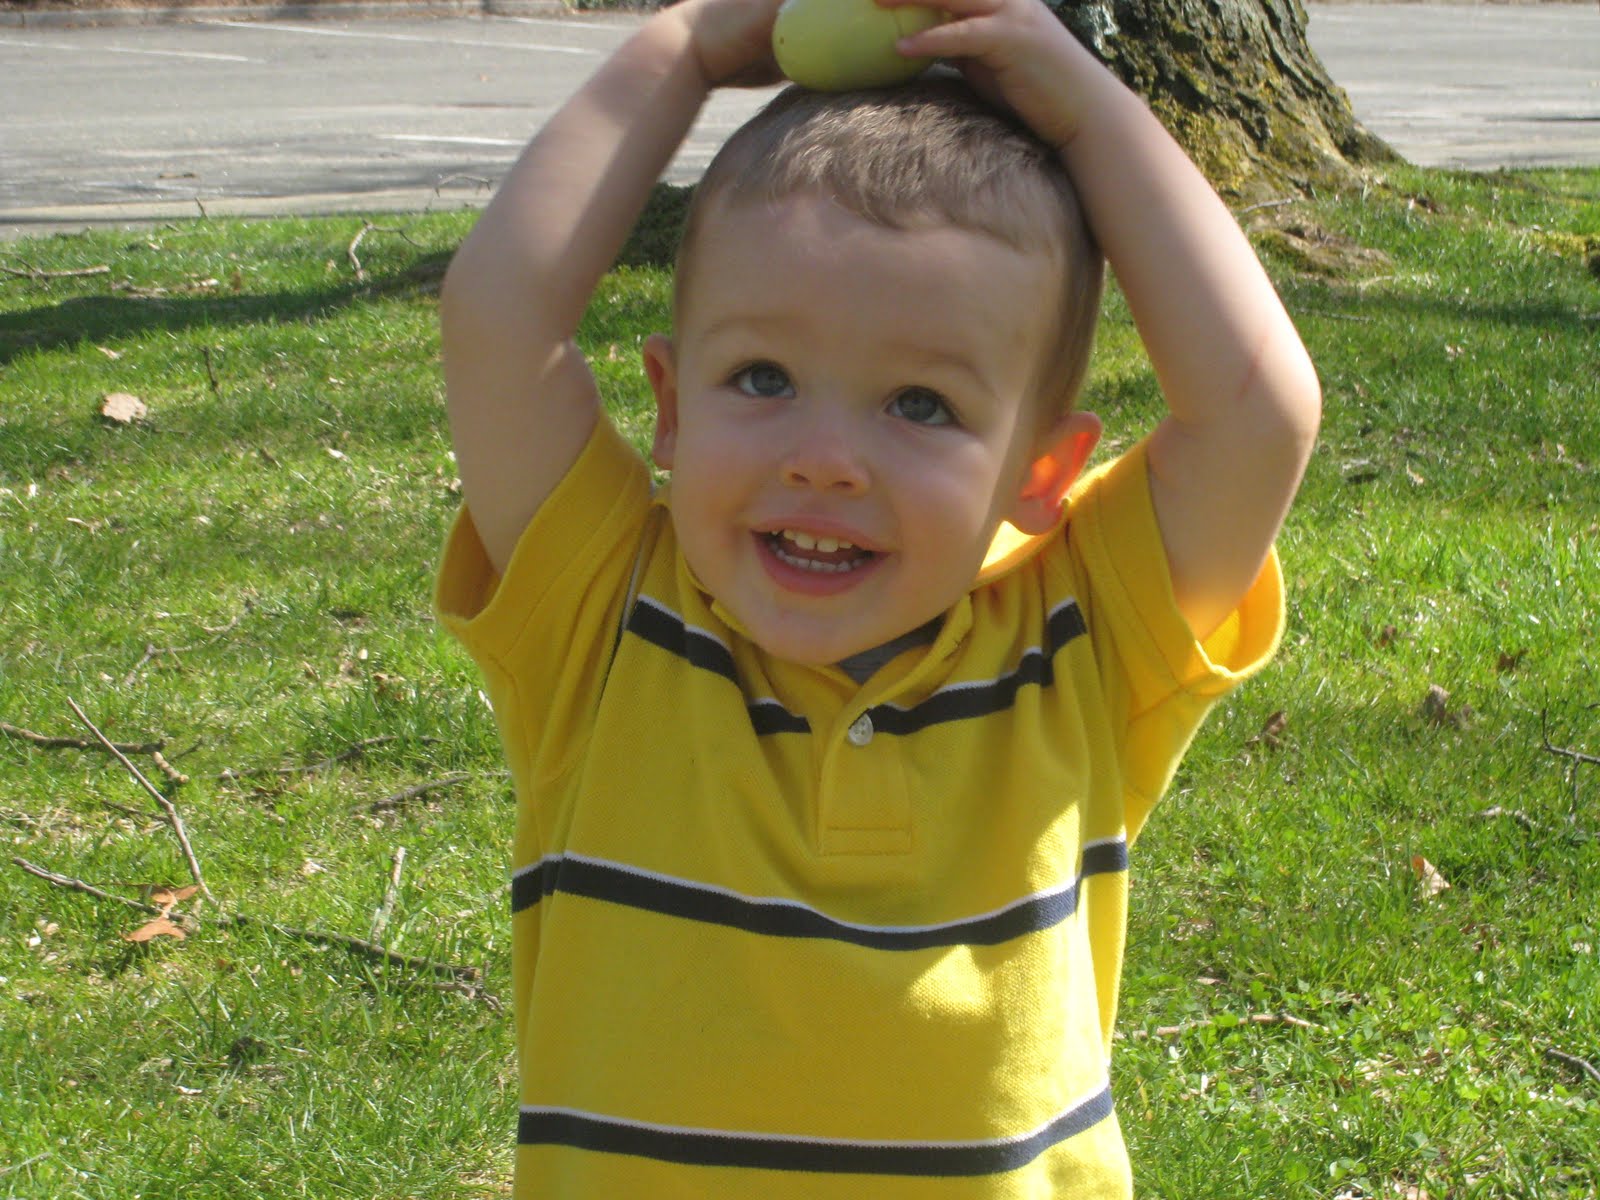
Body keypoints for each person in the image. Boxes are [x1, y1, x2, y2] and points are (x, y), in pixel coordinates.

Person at [434, 0, 1320, 1193]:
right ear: (673, 408)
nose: (824, 460)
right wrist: (683, 49)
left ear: (1040, 473)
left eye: (919, 405)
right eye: (763, 378)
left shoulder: (1080, 641)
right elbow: (499, 319)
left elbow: (1260, 412)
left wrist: (1084, 108)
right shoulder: (603, 617)